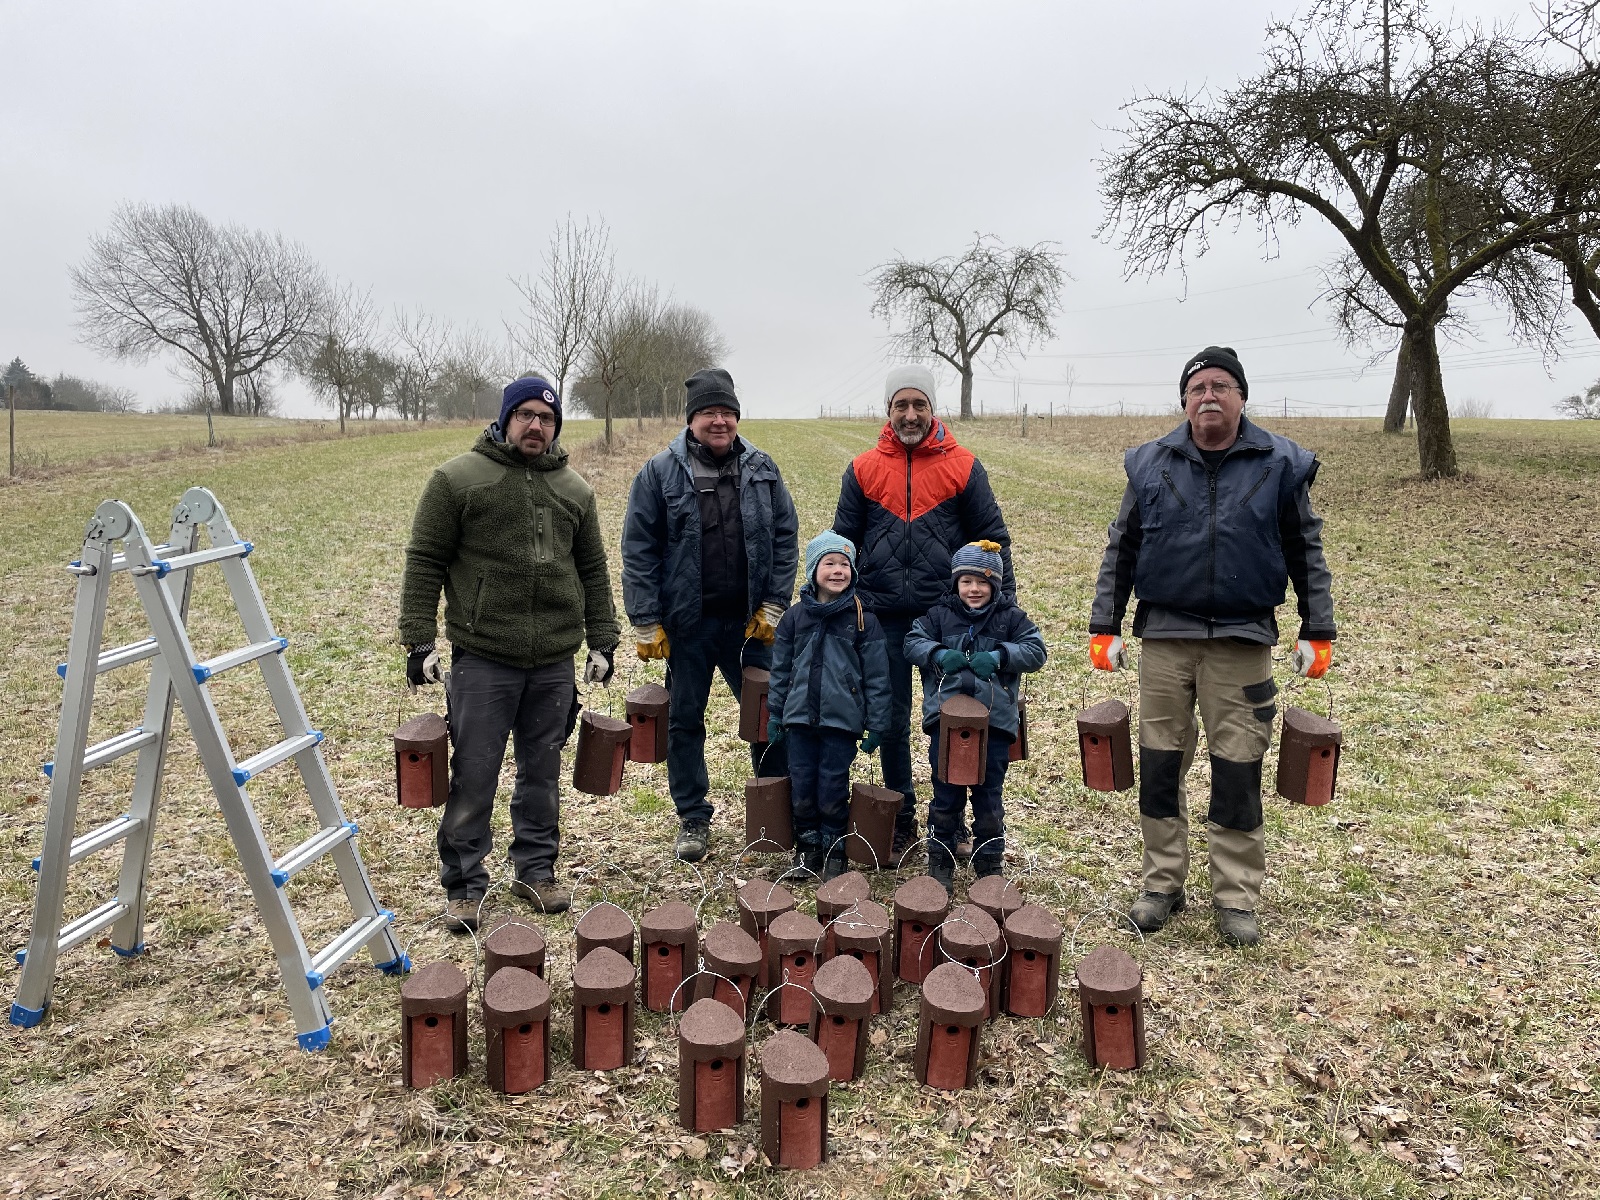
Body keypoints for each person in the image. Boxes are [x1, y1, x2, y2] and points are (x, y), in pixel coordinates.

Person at [1088, 345, 1337, 947]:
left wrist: (1318, 627)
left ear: (1242, 397)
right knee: (1159, 764)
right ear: (1184, 400)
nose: (1209, 396)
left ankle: (1235, 895)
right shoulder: (1151, 464)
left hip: (1243, 639)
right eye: (1198, 387)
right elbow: (1122, 547)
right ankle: (1160, 884)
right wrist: (1105, 623)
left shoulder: (1280, 464)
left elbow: (1305, 548)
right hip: (1166, 638)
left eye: (1221, 386)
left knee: (1237, 768)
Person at [399, 376, 619, 930]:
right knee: (475, 775)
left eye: (546, 419)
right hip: (483, 658)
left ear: (556, 427)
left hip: (551, 661)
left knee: (540, 775)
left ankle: (536, 872)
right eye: (524, 415)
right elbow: (426, 559)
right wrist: (419, 639)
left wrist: (603, 639)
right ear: (504, 418)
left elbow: (592, 569)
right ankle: (465, 887)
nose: (535, 426)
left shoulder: (574, 490)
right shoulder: (457, 480)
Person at [832, 365, 1014, 868]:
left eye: (919, 404)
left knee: (953, 720)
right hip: (883, 616)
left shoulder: (964, 467)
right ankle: (902, 817)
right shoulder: (864, 468)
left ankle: (948, 821)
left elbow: (993, 540)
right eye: (900, 405)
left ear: (933, 409)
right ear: (888, 412)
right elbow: (842, 543)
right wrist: (842, 610)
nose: (910, 414)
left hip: (948, 618)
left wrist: (1006, 609)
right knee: (889, 719)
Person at [621, 367, 798, 862]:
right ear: (691, 420)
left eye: (726, 412)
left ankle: (772, 812)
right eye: (708, 413)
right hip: (690, 624)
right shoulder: (659, 472)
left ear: (737, 417)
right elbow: (639, 548)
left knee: (769, 718)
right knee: (684, 721)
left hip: (750, 625)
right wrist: (645, 617)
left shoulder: (762, 468)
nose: (718, 421)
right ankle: (693, 818)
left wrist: (774, 602)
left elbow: (785, 536)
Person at [904, 541, 1046, 894]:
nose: (974, 589)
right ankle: (941, 858)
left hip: (994, 724)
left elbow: (1036, 650)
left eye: (983, 583)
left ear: (995, 585)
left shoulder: (1011, 618)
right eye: (966, 582)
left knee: (988, 793)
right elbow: (911, 642)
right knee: (946, 791)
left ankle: (989, 860)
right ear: (956, 583)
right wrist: (937, 653)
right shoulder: (938, 616)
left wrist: (1000, 656)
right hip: (946, 722)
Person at [765, 531, 893, 882]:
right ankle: (807, 848)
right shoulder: (793, 618)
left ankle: (835, 847)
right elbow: (780, 671)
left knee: (832, 785)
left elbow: (878, 677)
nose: (838, 571)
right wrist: (776, 713)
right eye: (829, 563)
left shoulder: (863, 619)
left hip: (842, 721)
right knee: (803, 784)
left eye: (844, 565)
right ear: (812, 570)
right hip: (799, 720)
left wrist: (878, 724)